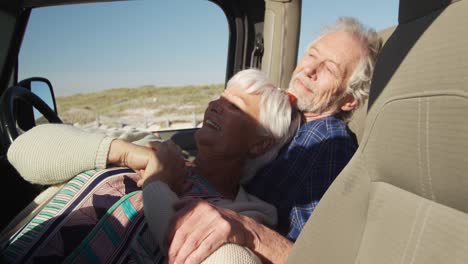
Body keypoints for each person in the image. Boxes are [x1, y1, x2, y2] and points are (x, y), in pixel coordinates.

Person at [5, 69, 301, 261]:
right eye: (219, 97)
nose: (215, 105)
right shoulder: (147, 143)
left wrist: (156, 183)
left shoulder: (248, 215)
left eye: (234, 106)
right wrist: (128, 154)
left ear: (259, 144)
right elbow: (22, 151)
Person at [163, 17, 382, 264]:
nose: (309, 70)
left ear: (349, 100)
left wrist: (247, 230)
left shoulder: (328, 143)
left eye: (330, 69)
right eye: (312, 55)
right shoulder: (293, 122)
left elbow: (316, 255)